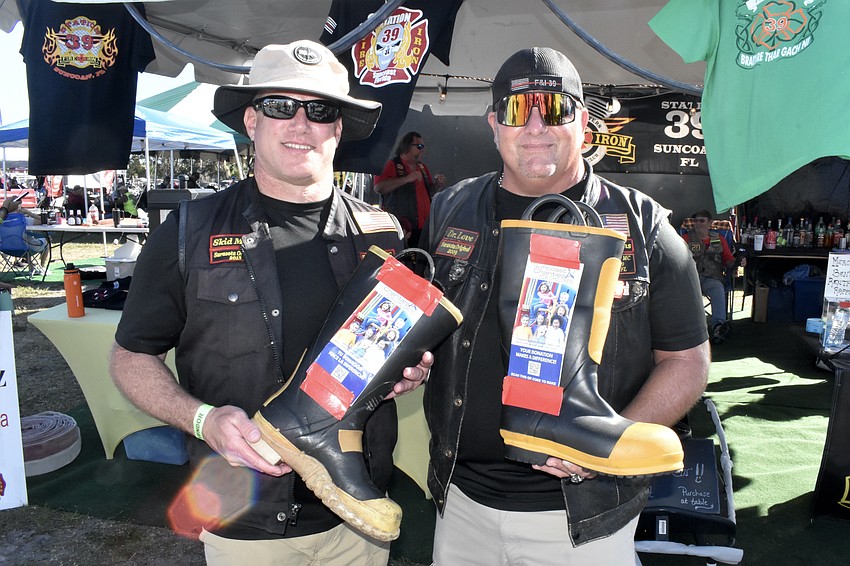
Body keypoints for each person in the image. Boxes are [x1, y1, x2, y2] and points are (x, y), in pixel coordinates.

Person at [109, 40, 432, 566]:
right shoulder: (189, 232)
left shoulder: (382, 234)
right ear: (252, 120)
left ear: (338, 129)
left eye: (321, 110)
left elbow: (395, 357)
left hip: (359, 516)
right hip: (241, 514)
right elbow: (130, 357)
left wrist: (407, 369)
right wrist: (201, 419)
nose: (301, 123)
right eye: (282, 106)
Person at [420, 46, 710, 565]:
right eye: (516, 110)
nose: (535, 127)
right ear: (493, 123)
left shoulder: (645, 228)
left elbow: (687, 361)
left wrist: (608, 449)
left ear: (584, 121)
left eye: (555, 109)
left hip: (583, 519)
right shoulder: (450, 209)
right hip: (462, 506)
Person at [682, 210, 745, 344]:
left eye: (701, 220)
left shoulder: (719, 238)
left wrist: (738, 262)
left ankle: (719, 326)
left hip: (713, 277)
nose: (698, 224)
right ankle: (690, 329)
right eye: (696, 221)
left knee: (718, 290)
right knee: (687, 292)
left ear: (710, 223)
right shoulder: (686, 238)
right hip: (692, 277)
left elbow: (728, 260)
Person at [373, 131, 446, 247]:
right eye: (419, 146)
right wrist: (406, 179)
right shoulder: (392, 165)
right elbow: (379, 187)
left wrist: (437, 185)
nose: (423, 150)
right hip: (402, 229)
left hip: (423, 228)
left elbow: (428, 193)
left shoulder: (422, 167)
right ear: (407, 146)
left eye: (423, 146)